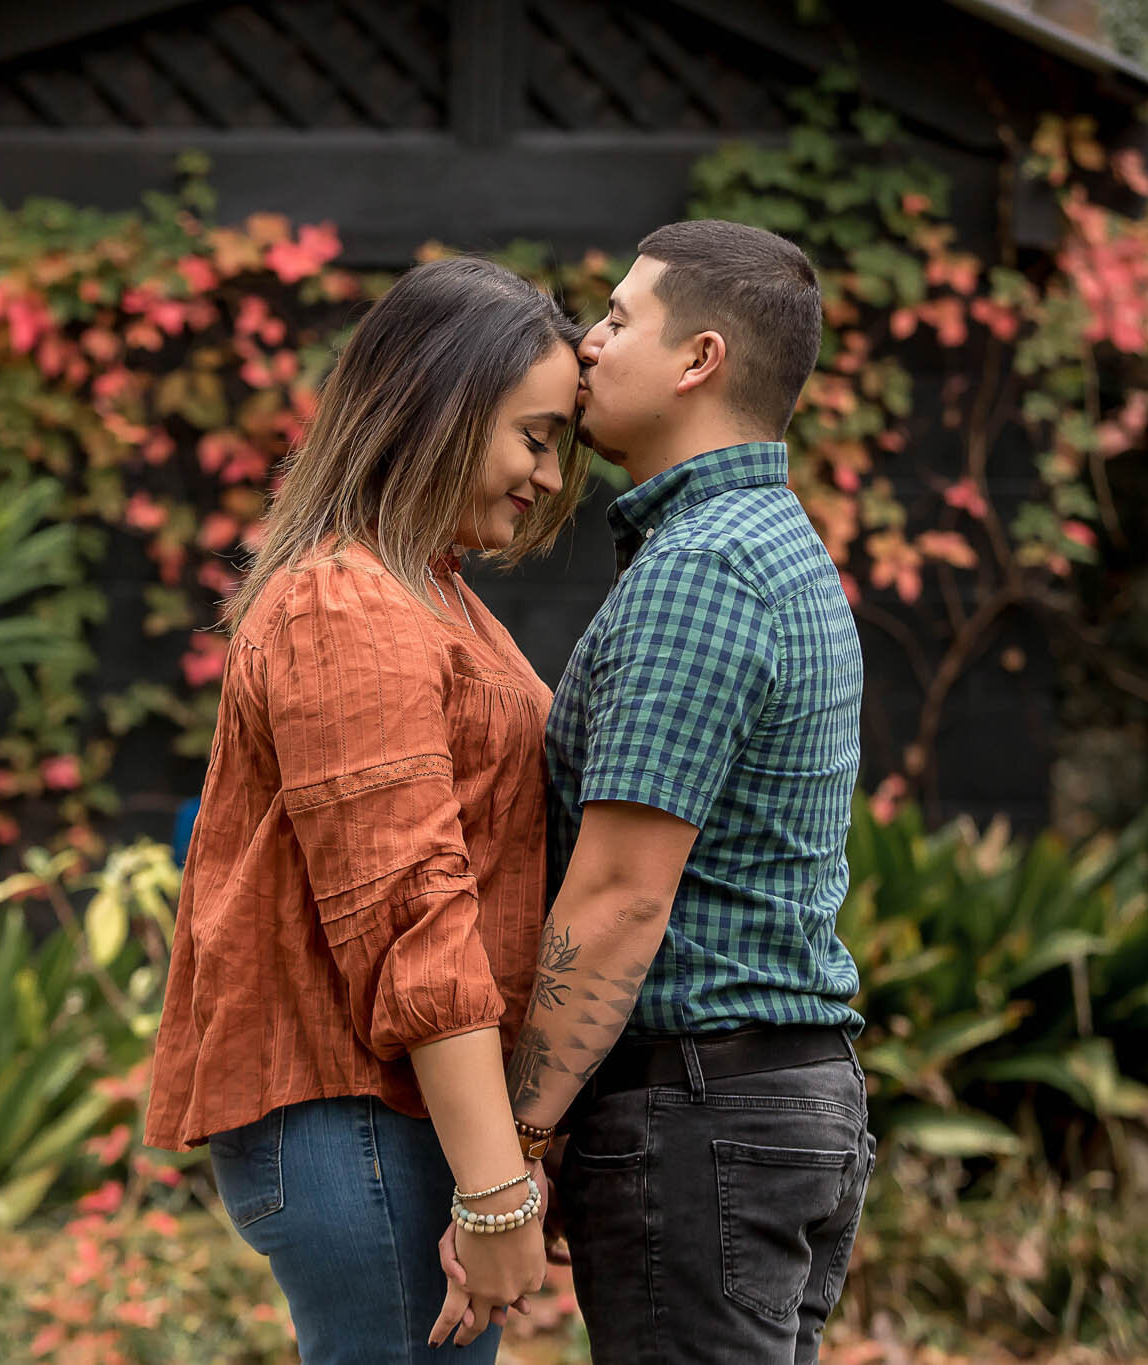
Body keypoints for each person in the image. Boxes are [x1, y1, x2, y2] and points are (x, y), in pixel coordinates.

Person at [143, 256, 590, 1362]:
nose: (547, 474)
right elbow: (411, 911)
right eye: (532, 435)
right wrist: (495, 1192)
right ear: (441, 400)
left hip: (397, 1115)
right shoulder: (345, 602)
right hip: (353, 1115)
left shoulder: (424, 593)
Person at [504, 220, 875, 1363]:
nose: (586, 344)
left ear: (699, 359)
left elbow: (619, 898)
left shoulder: (702, 569)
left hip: (701, 1114)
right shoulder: (771, 545)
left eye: (617, 319)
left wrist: (515, 1142)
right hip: (767, 1108)